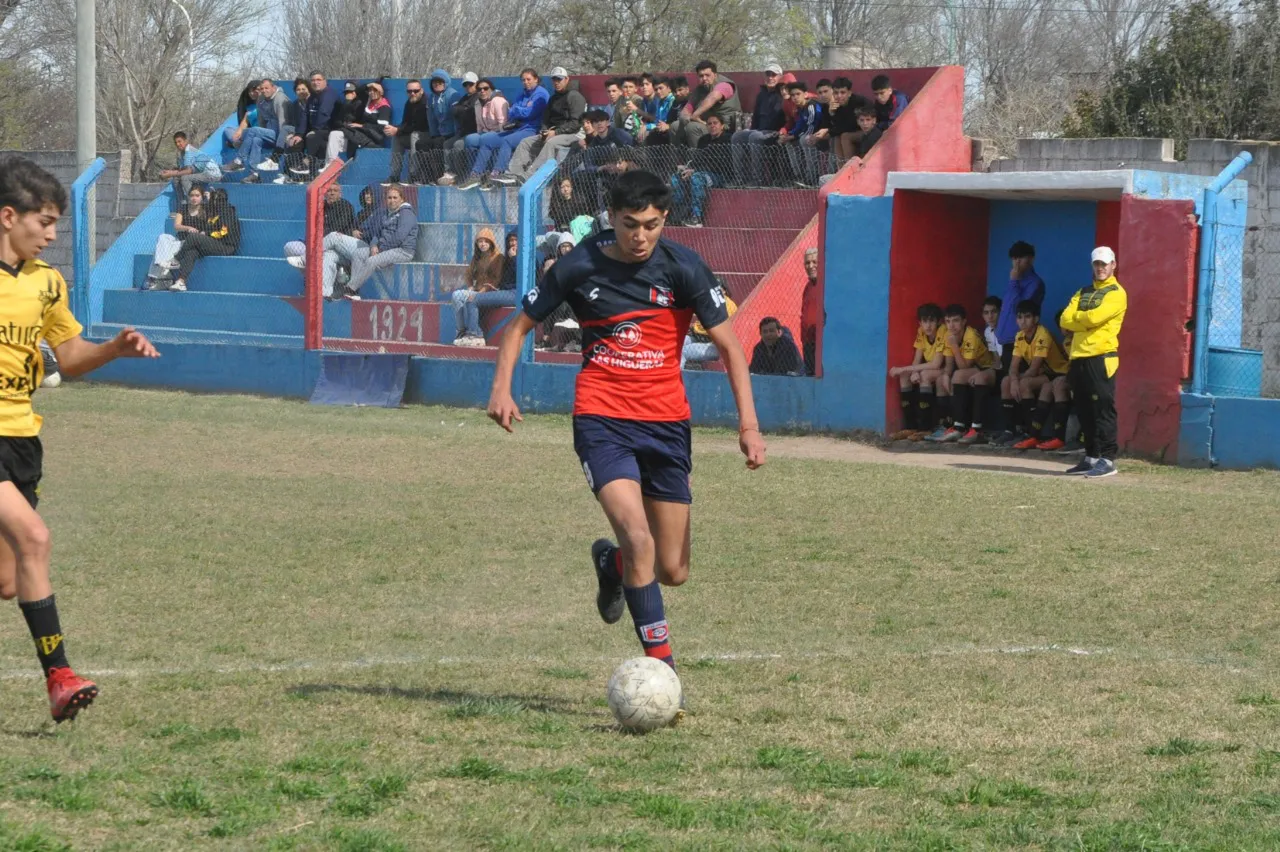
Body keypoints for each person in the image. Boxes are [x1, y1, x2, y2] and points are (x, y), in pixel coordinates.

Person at [486, 171, 766, 697]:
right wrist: (501, 389)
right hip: (602, 418)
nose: (641, 236)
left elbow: (731, 349)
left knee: (672, 568)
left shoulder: (684, 267)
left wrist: (747, 426)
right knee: (637, 538)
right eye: (630, 225)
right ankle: (666, 677)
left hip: (666, 424)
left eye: (652, 226)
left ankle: (610, 564)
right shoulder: (577, 265)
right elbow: (519, 326)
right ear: (610, 218)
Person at [0, 156, 160, 722]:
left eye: (55, 225)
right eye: (43, 222)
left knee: (8, 579)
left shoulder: (46, 283)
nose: (50, 235)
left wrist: (113, 348)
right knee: (35, 540)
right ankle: (60, 677)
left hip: (21, 437)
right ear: (7, 216)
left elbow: (68, 358)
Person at [1060, 246, 1127, 478]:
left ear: (1113, 265)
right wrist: (1084, 320)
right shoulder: (1083, 291)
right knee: (1084, 410)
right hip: (1078, 357)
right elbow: (1065, 319)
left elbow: (1095, 317)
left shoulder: (1117, 293)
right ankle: (1091, 457)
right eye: (1097, 264)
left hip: (1101, 357)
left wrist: (1081, 319)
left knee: (1103, 410)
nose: (1101, 268)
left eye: (1105, 264)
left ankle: (1108, 460)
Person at [459, 69, 548, 190]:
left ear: (536, 79)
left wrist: (518, 110)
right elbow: (511, 112)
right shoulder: (522, 93)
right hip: (517, 128)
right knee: (487, 140)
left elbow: (530, 113)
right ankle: (475, 175)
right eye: (523, 80)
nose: (526, 82)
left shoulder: (541, 93)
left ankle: (497, 174)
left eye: (529, 79)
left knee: (507, 141)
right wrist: (520, 110)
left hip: (532, 129)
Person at [501, 67, 587, 184]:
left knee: (551, 143)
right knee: (525, 142)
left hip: (573, 134)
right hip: (553, 132)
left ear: (567, 79)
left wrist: (555, 133)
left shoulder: (574, 96)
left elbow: (576, 123)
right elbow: (545, 119)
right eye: (554, 80)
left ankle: (528, 177)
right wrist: (544, 131)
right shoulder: (553, 98)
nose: (556, 82)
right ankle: (512, 175)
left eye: (559, 79)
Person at [1006, 300, 1071, 451]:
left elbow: (1034, 369)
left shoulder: (1042, 334)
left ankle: (1042, 435)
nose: (1023, 321)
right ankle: (1032, 435)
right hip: (1047, 375)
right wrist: (1014, 380)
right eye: (1020, 317)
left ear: (1036, 319)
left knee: (1026, 384)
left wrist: (1017, 380)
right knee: (1011, 382)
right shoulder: (1020, 336)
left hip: (1059, 371)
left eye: (1027, 317)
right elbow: (1013, 367)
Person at [336, 185, 419, 300]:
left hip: (403, 250)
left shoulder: (407, 214)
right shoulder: (386, 213)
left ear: (402, 199)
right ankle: (355, 292)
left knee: (372, 261)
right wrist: (374, 245)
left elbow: (399, 237)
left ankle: (350, 289)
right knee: (358, 254)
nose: (392, 200)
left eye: (395, 198)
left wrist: (380, 249)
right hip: (384, 248)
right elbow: (377, 233)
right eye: (389, 198)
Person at [932, 304, 997, 444]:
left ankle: (977, 430)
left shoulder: (970, 334)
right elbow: (949, 364)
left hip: (988, 369)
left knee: (960, 375)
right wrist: (945, 375)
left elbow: (964, 366)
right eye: (948, 321)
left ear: (964, 321)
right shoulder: (949, 335)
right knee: (952, 377)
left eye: (955, 321)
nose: (951, 325)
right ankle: (959, 427)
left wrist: (955, 346)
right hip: (971, 370)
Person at [887, 303, 947, 440]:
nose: (928, 326)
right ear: (920, 322)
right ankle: (910, 427)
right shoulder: (921, 331)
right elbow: (917, 358)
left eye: (932, 321)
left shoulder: (943, 331)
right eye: (924, 321)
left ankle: (925, 429)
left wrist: (906, 368)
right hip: (929, 368)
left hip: (944, 370)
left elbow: (936, 363)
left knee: (923, 375)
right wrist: (912, 371)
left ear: (938, 321)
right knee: (904, 376)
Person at [170, 187, 239, 292]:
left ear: (218, 200)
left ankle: (176, 259)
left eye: (213, 199)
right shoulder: (214, 212)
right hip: (214, 244)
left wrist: (207, 233)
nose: (210, 201)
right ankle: (181, 282)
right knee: (192, 251)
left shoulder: (227, 211)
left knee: (194, 237)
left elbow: (223, 232)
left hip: (226, 246)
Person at [668, 113, 730, 227]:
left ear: (722, 126)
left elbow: (721, 164)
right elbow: (698, 159)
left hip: (718, 176)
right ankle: (677, 215)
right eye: (709, 124)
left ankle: (696, 218)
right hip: (700, 171)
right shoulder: (703, 140)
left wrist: (694, 171)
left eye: (715, 123)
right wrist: (688, 168)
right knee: (676, 178)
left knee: (697, 178)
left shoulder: (727, 139)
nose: (712, 126)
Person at [451, 228, 510, 346]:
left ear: (491, 243)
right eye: (480, 241)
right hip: (476, 291)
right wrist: (470, 286)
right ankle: (461, 331)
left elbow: (496, 279)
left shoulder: (499, 257)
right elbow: (468, 274)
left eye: (486, 241)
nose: (483, 244)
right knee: (456, 295)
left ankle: (471, 332)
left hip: (490, 292)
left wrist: (483, 291)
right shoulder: (477, 257)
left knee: (463, 297)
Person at [994, 241, 1046, 374]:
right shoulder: (1015, 279)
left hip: (1020, 341)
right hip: (1005, 340)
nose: (1016, 262)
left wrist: (1014, 281)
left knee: (1015, 383)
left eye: (1020, 258)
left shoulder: (1035, 283)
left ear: (1031, 259)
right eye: (1014, 258)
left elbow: (1019, 309)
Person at [732, 64, 787, 185]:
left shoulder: (782, 95)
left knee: (754, 137)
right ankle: (740, 179)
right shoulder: (761, 95)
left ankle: (758, 180)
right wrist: (753, 130)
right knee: (737, 136)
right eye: (768, 75)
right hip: (760, 131)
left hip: (776, 132)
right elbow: (756, 116)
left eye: (774, 75)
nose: (770, 78)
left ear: (780, 77)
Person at [447, 79, 509, 186]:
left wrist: (495, 136)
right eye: (479, 89)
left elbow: (502, 122)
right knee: (470, 139)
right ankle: (473, 174)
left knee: (486, 138)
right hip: (485, 132)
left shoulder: (498, 100)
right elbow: (479, 125)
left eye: (485, 88)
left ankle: (482, 173)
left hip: (500, 132)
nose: (482, 91)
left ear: (491, 89)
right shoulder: (477, 103)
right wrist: (481, 134)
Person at [284, 183, 355, 269]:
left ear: (340, 194)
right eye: (329, 191)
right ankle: (308, 276)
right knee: (289, 246)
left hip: (333, 247)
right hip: (314, 245)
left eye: (335, 191)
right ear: (325, 193)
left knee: (326, 255)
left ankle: (307, 260)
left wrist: (318, 236)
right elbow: (310, 225)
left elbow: (336, 228)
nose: (332, 193)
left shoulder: (345, 206)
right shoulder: (320, 206)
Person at [288, 72, 342, 179]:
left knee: (312, 137)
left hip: (332, 129)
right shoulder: (312, 96)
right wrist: (299, 134)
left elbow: (324, 114)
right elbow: (305, 115)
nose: (315, 82)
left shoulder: (328, 94)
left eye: (319, 80)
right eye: (313, 80)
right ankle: (292, 175)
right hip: (318, 130)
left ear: (325, 81)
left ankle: (306, 162)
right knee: (295, 141)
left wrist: (314, 130)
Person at [237, 78, 291, 182]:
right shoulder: (261, 99)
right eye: (262, 89)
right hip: (269, 133)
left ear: (273, 88)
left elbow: (283, 123)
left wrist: (280, 143)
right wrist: (262, 134)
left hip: (281, 135)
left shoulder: (280, 99)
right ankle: (254, 174)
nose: (264, 90)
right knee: (256, 139)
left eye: (267, 88)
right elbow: (261, 121)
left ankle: (239, 160)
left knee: (253, 131)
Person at [678, 60, 740, 147]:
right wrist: (685, 117)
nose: (704, 78)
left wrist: (695, 115)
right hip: (706, 123)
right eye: (701, 76)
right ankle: (677, 158)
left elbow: (713, 97)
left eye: (707, 75)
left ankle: (698, 158)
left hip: (724, 127)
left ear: (715, 75)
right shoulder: (700, 89)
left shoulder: (725, 84)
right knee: (675, 126)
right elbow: (688, 108)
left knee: (693, 128)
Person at [331, 80, 391, 165]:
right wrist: (371, 84)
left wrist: (362, 126)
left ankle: (338, 164)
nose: (372, 92)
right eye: (370, 90)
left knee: (342, 135)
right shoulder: (369, 102)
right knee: (335, 134)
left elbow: (382, 128)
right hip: (361, 134)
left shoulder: (384, 107)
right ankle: (330, 165)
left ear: (381, 92)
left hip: (373, 139)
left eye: (375, 90)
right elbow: (359, 90)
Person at [386, 79, 431, 185]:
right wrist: (395, 129)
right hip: (414, 134)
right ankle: (394, 175)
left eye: (415, 90)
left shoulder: (426, 102)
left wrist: (398, 129)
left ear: (422, 90)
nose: (412, 93)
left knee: (414, 136)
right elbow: (405, 123)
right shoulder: (409, 103)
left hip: (427, 135)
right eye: (409, 91)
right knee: (397, 138)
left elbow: (420, 125)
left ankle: (413, 175)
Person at [422, 69, 464, 182]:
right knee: (423, 144)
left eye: (440, 82)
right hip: (440, 132)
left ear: (445, 82)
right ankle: (430, 177)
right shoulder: (431, 98)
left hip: (453, 132)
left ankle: (449, 174)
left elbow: (456, 116)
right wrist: (433, 134)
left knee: (443, 145)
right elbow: (431, 118)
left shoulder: (453, 95)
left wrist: (457, 133)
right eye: (434, 82)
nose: (437, 84)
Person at [158, 132, 222, 199]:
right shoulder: (183, 153)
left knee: (185, 178)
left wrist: (171, 174)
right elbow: (183, 170)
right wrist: (169, 171)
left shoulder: (189, 151)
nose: (177, 144)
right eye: (176, 142)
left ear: (185, 141)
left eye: (179, 141)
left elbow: (188, 171)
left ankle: (191, 202)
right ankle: (183, 202)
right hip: (202, 173)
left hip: (212, 174)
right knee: (176, 178)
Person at [222, 80, 261, 166]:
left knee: (253, 136)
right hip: (250, 132)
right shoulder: (250, 108)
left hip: (259, 133)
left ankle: (240, 158)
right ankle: (238, 143)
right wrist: (239, 132)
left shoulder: (266, 104)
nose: (251, 93)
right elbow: (245, 121)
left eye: (253, 91)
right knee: (228, 130)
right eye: (249, 91)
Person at [799, 247, 822, 375]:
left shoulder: (825, 285)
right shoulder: (807, 287)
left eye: (814, 262)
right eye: (807, 263)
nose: (810, 266)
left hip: (820, 343)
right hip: (808, 343)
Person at [641, 77, 678, 146]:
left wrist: (647, 127)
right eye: (656, 89)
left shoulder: (673, 101)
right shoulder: (660, 102)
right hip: (660, 130)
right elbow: (657, 122)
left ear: (669, 89)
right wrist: (646, 126)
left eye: (661, 88)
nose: (658, 91)